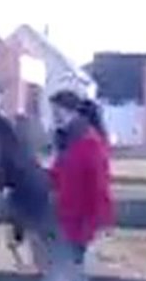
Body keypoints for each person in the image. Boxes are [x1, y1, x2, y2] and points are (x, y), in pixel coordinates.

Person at [47, 90, 114, 264]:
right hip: (63, 221)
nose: (54, 117)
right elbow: (56, 176)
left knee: (70, 275)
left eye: (57, 112)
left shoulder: (90, 144)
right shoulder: (67, 142)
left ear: (71, 112)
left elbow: (99, 186)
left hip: (79, 225)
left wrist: (98, 223)